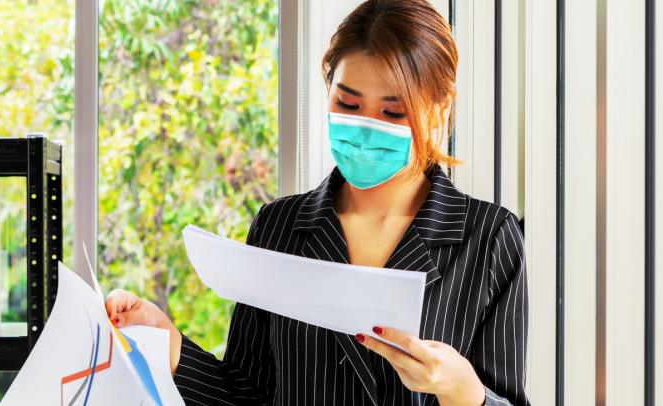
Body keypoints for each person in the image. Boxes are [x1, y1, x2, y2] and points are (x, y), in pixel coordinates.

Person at [104, 0, 529, 404]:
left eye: (393, 113)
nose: (364, 127)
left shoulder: (489, 238)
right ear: (328, 88)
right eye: (348, 103)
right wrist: (168, 343)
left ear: (439, 108)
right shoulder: (279, 226)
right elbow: (244, 394)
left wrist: (463, 389)